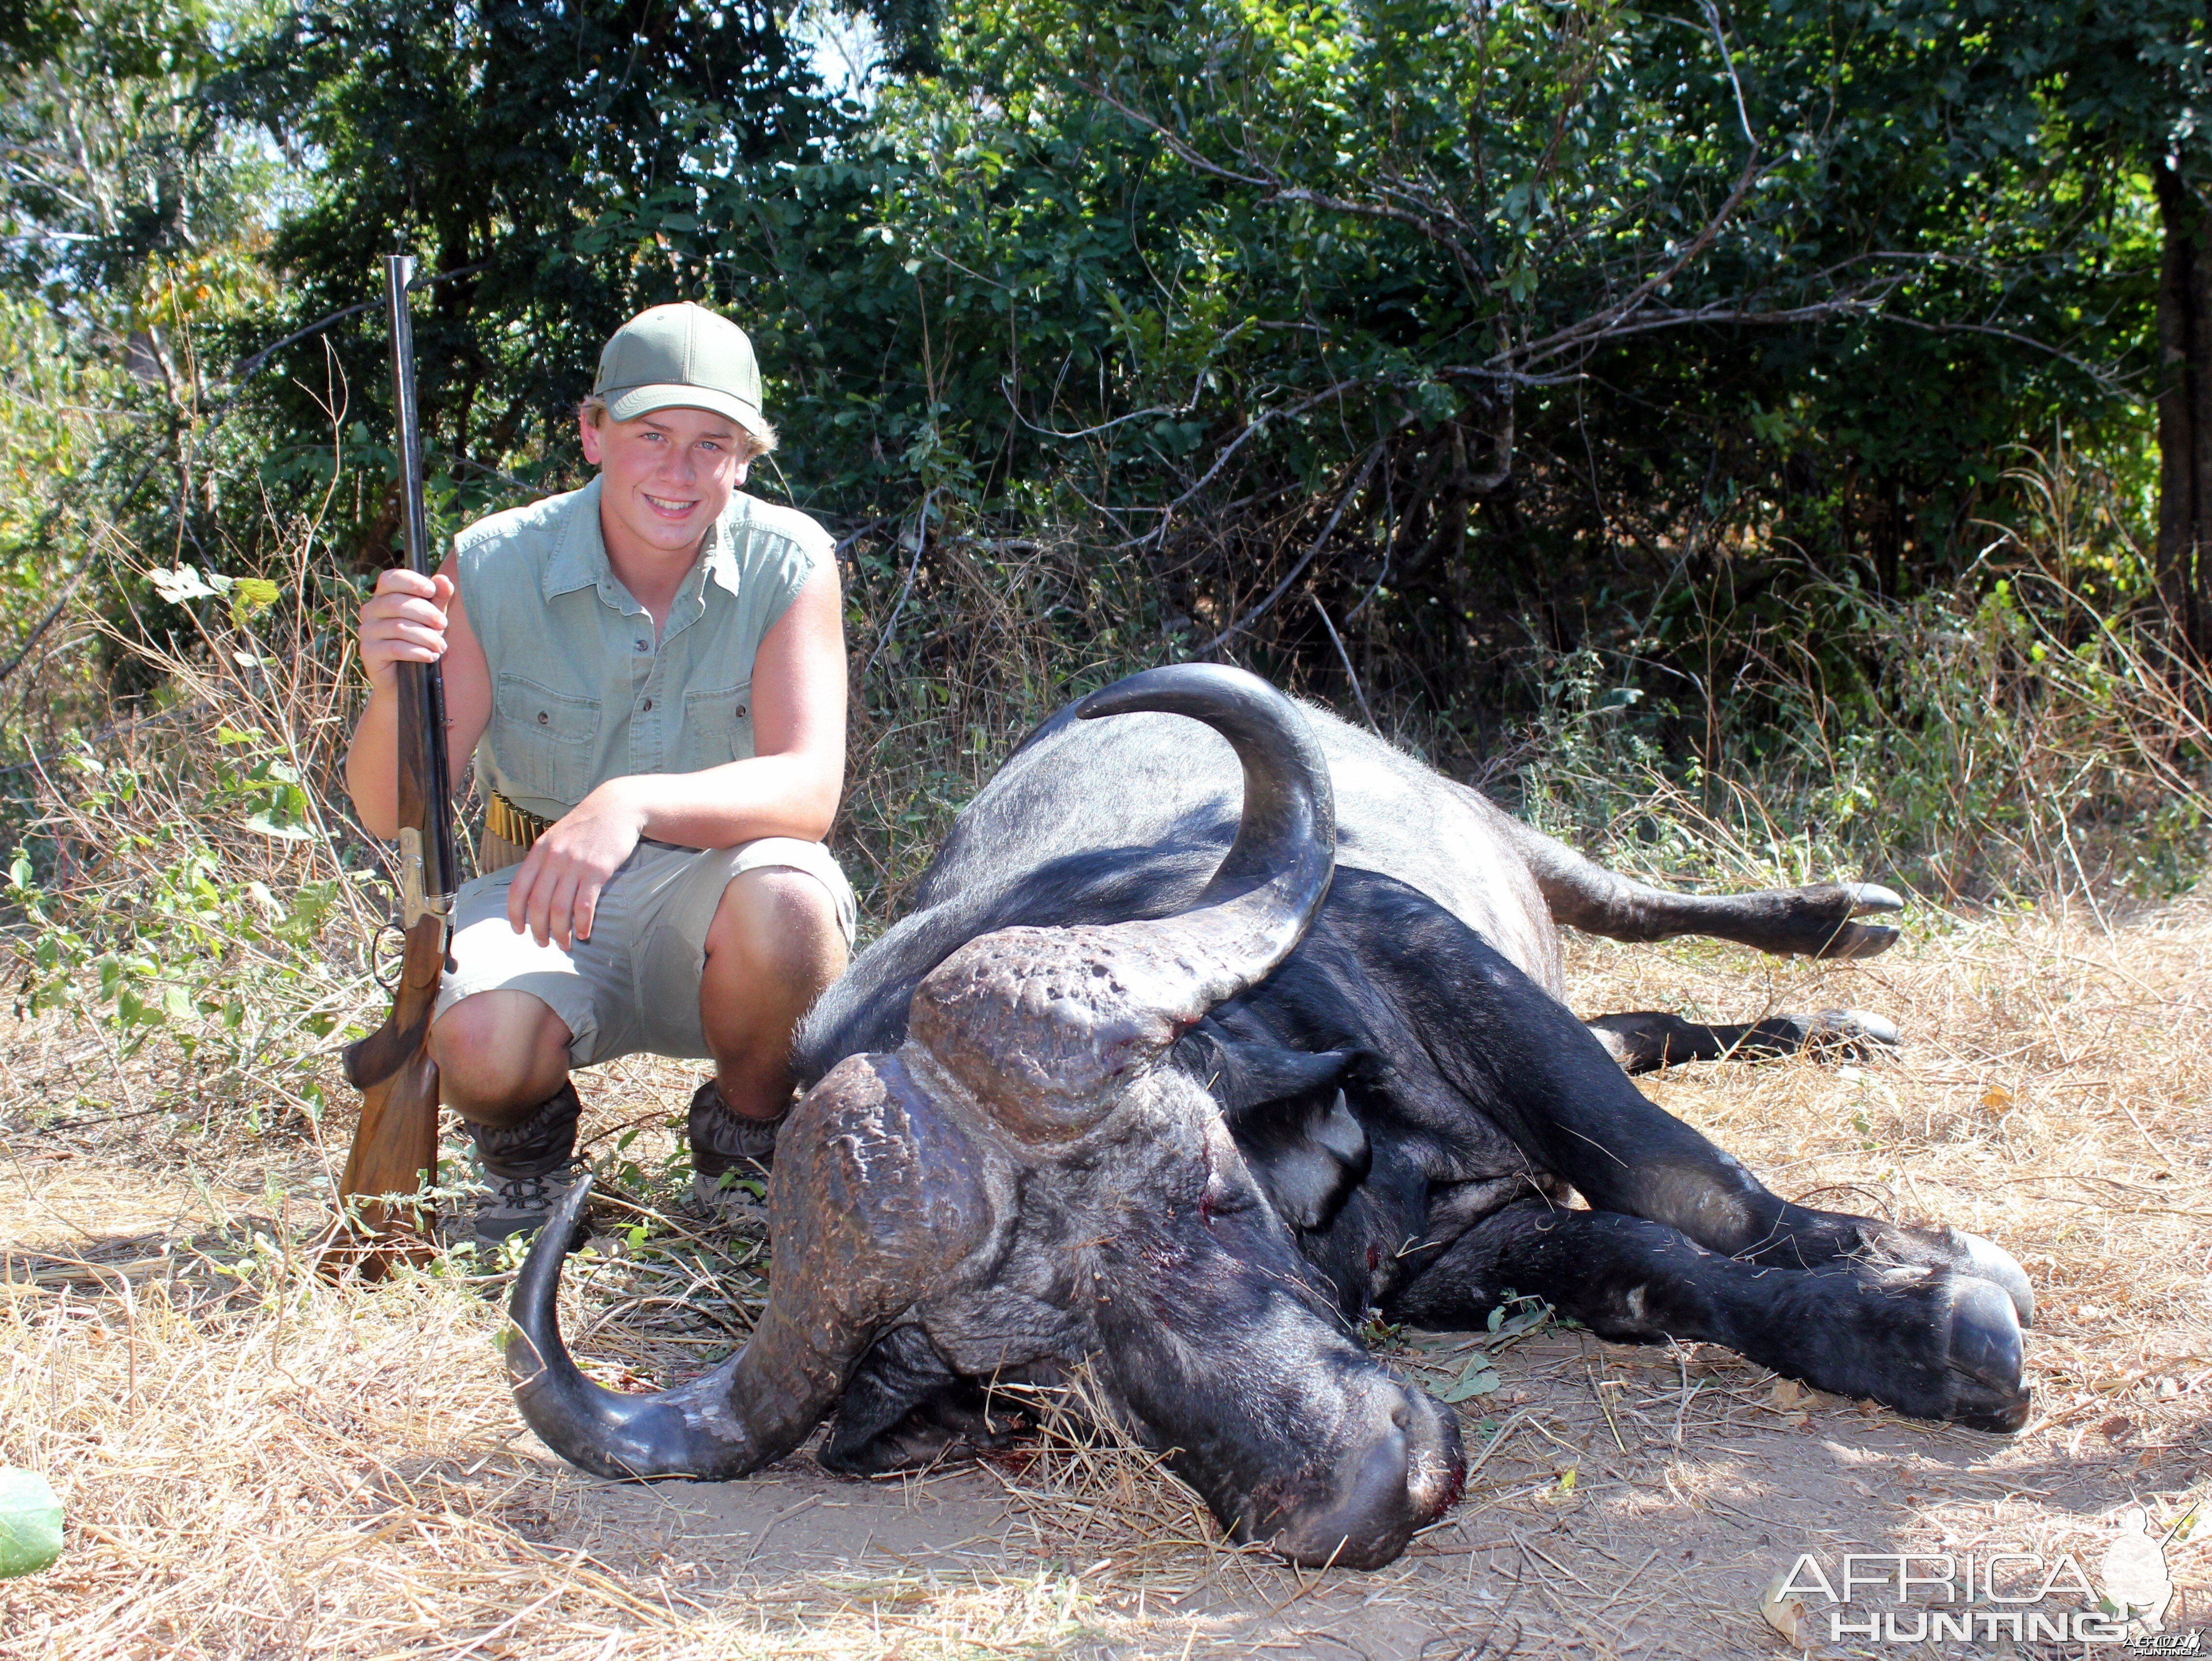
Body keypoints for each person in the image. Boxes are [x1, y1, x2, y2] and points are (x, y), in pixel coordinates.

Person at [345, 301, 854, 1248]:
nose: (679, 469)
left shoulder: (793, 562)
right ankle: (528, 1166)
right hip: (538, 891)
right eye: (651, 434)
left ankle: (744, 1154)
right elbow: (389, 807)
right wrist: (388, 690)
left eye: (713, 443)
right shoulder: (494, 562)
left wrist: (630, 801)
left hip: (719, 896)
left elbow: (807, 791)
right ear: (592, 433)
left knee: (792, 903)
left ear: (746, 457)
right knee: (475, 1038)